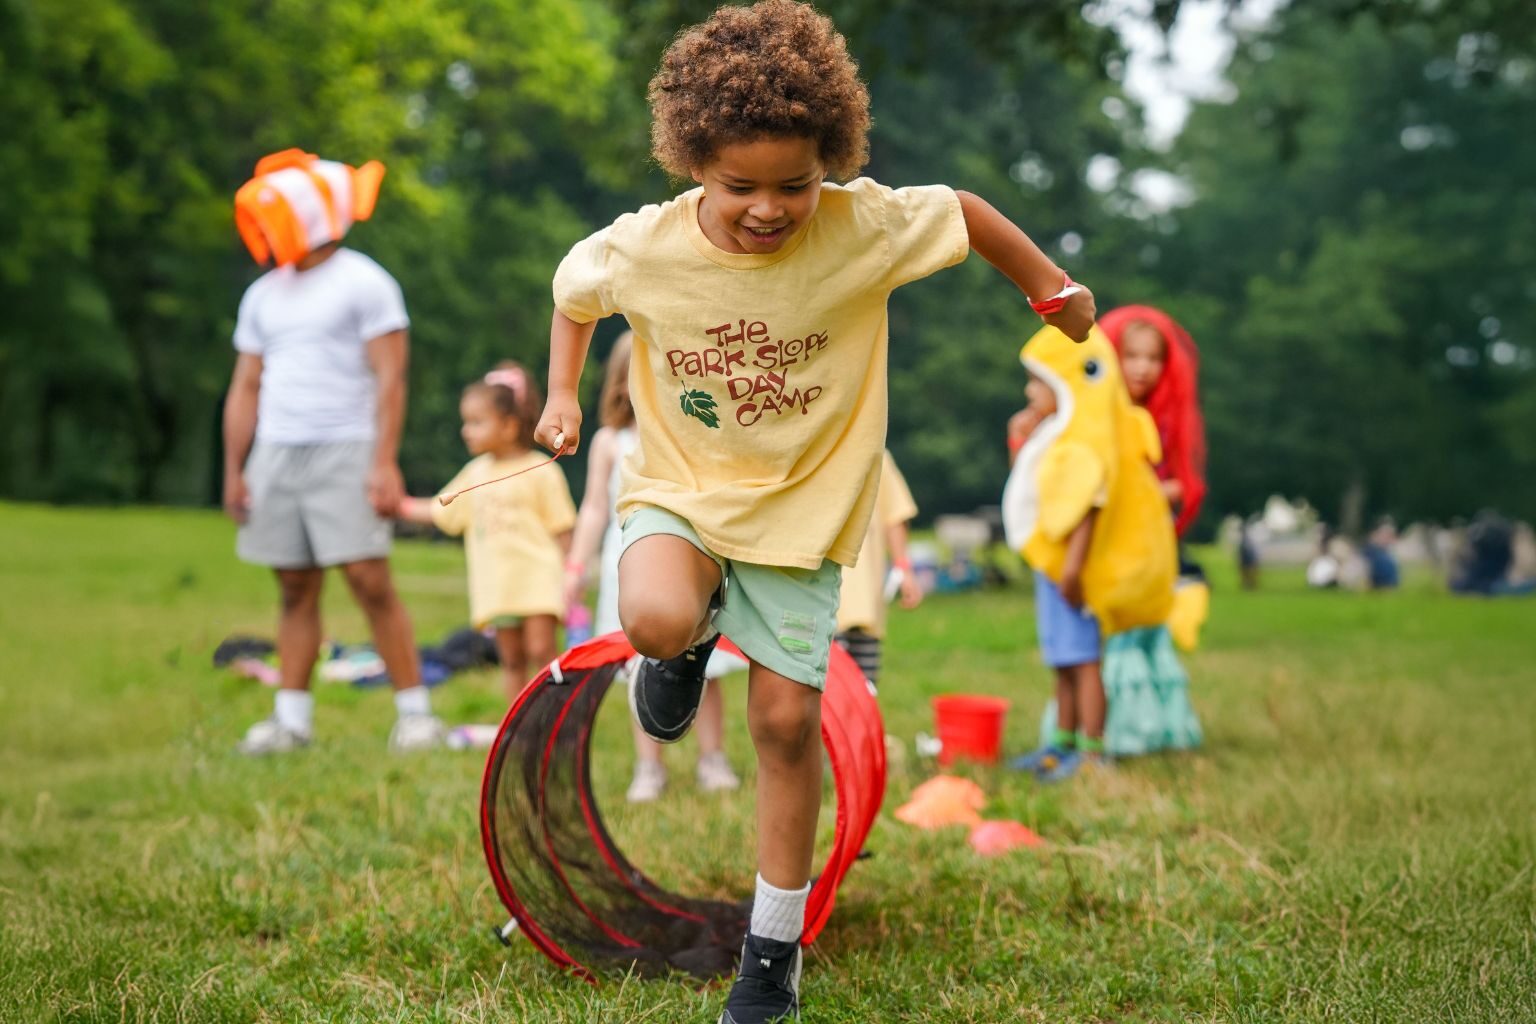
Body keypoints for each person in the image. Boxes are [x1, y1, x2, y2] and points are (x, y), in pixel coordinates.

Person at [534, 3, 1094, 1019]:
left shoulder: (860, 227)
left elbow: (965, 214)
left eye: (795, 184)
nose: (767, 208)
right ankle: (682, 644)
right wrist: (564, 394)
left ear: (829, 162)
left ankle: (771, 953)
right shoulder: (643, 248)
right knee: (655, 614)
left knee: (787, 724)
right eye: (739, 185)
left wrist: (1051, 289)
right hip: (683, 492)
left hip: (804, 511)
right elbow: (575, 294)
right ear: (691, 160)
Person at [224, 149, 445, 755]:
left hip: (347, 449)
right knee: (295, 587)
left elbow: (391, 379)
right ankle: (291, 722)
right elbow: (245, 386)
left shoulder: (365, 281)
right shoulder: (264, 296)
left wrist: (383, 460)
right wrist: (235, 468)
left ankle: (416, 716)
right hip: (276, 452)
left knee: (369, 580)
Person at [564, 333, 743, 802]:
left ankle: (713, 758)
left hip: (685, 564)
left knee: (704, 661)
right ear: (624, 384)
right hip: (625, 567)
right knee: (635, 665)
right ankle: (649, 768)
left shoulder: (687, 434)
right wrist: (575, 567)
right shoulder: (609, 441)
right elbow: (593, 510)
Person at [1002, 325, 1176, 781]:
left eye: (1039, 381)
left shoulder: (1082, 446)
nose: (1029, 390)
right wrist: (1021, 438)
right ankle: (1061, 744)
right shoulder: (1056, 439)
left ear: (1066, 386)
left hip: (1073, 573)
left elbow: (1088, 509)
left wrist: (1075, 569)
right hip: (1054, 570)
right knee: (1062, 660)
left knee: (1084, 661)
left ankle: (1094, 751)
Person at [400, 364, 576, 702]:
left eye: (477, 423)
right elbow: (441, 512)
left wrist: (570, 575)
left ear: (510, 425)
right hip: (498, 586)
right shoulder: (474, 473)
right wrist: (401, 506)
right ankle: (517, 727)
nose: (467, 431)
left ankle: (554, 715)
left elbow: (562, 528)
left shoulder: (541, 472)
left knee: (542, 650)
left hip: (537, 581)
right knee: (511, 659)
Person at [834, 449, 923, 691]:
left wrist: (904, 569)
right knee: (829, 689)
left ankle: (859, 729)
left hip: (866, 596)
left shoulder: (873, 449)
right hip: (822, 598)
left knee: (865, 687)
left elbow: (893, 515)